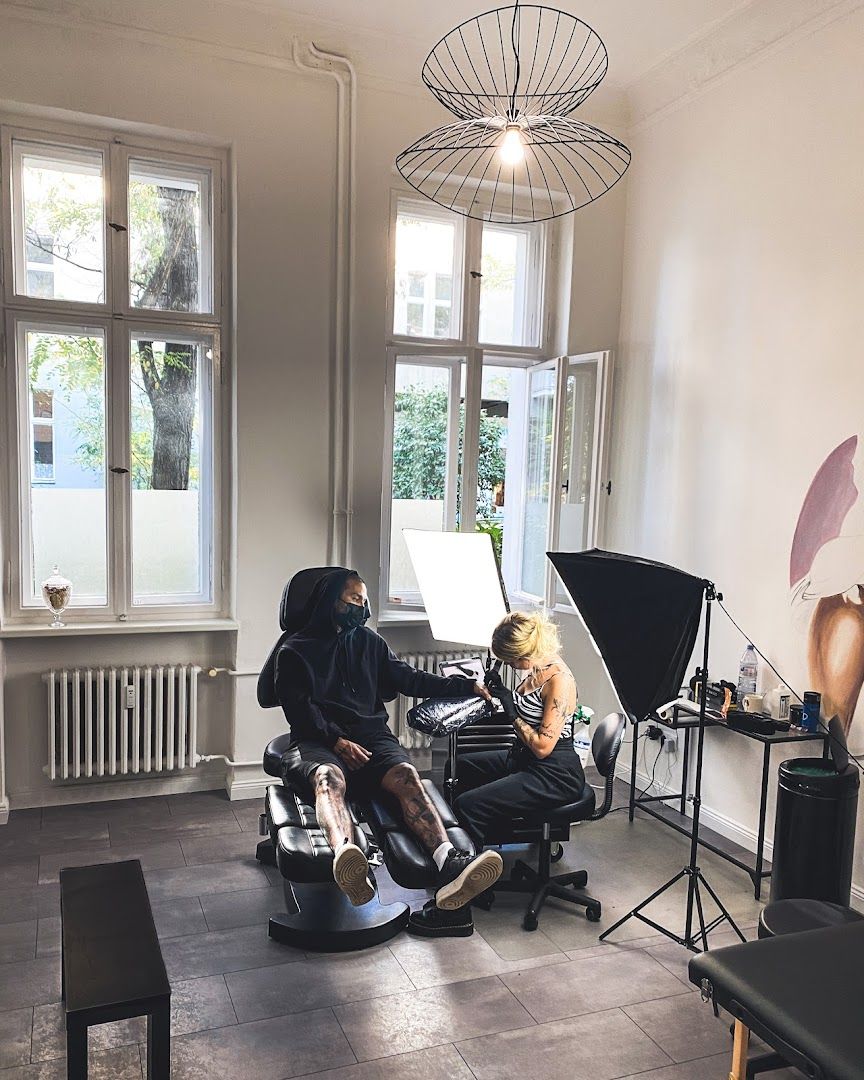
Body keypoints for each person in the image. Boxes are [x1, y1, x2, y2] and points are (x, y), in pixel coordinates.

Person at [272, 567, 503, 921]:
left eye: (365, 601)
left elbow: (410, 679)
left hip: (372, 739)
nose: (363, 609)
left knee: (407, 776)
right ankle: (347, 858)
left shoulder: (369, 642)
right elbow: (302, 712)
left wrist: (466, 687)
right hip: (316, 742)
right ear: (330, 603)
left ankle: (449, 862)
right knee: (328, 780)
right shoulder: (293, 652)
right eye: (354, 600)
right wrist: (338, 742)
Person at [407, 609, 584, 935]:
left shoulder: (560, 681)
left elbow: (543, 746)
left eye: (512, 660)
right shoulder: (534, 668)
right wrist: (499, 693)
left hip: (554, 772)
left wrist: (510, 710)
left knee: (471, 804)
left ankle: (461, 897)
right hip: (524, 759)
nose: (511, 666)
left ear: (527, 652)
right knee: (458, 769)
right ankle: (463, 862)